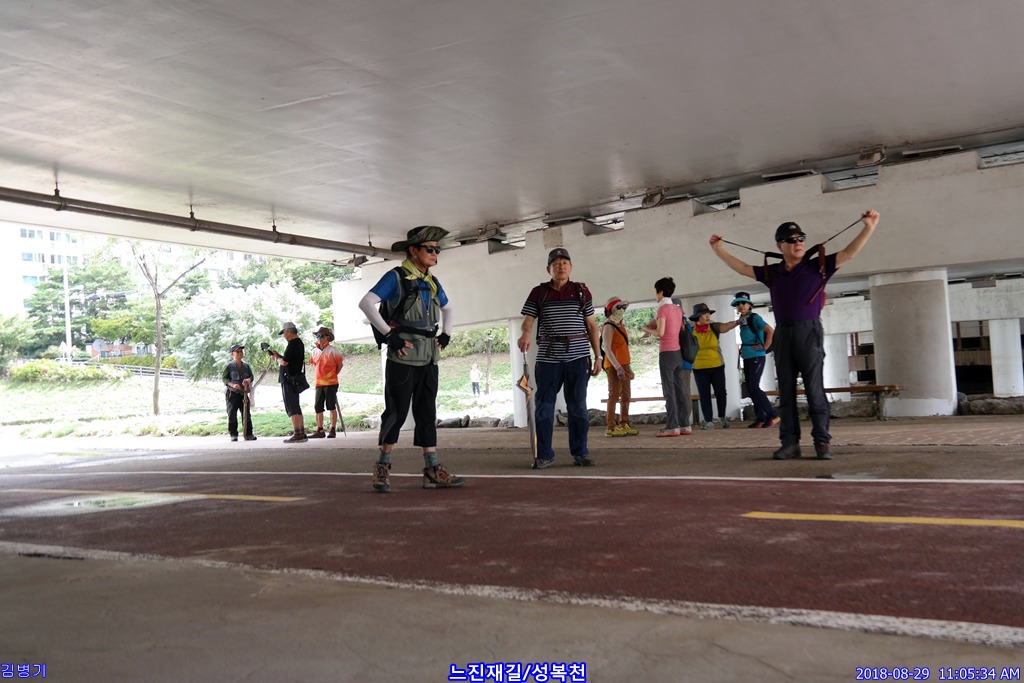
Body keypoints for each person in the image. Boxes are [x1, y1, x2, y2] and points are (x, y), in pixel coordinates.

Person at [710, 209, 880, 459]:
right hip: (783, 334)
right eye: (791, 240)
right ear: (780, 246)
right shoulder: (773, 272)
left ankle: (822, 441)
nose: (798, 243)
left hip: (809, 331)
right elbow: (743, 268)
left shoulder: (817, 266)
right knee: (786, 391)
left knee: (814, 390)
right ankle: (790, 443)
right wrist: (719, 250)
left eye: (801, 238)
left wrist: (868, 227)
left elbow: (849, 253)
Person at [358, 225, 464, 491]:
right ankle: (382, 466)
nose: (435, 253)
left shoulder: (431, 281)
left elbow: (449, 308)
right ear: (413, 250)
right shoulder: (395, 277)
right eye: (430, 249)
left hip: (429, 358)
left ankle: (432, 468)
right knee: (396, 412)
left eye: (437, 249)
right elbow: (366, 303)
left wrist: (446, 334)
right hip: (403, 357)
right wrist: (389, 335)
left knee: (427, 412)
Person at [517, 248, 602, 467]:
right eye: (556, 263)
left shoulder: (582, 291)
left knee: (578, 407)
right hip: (548, 359)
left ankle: (580, 452)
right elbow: (528, 320)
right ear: (549, 269)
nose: (561, 266)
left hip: (578, 358)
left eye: (564, 262)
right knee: (544, 407)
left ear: (571, 267)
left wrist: (598, 356)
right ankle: (544, 455)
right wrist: (525, 334)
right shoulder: (539, 292)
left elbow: (592, 326)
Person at [642, 279, 691, 437]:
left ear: (661, 292)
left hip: (666, 353)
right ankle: (685, 424)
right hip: (678, 353)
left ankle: (672, 426)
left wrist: (645, 329)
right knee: (680, 390)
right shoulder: (677, 309)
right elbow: (678, 328)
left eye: (656, 292)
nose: (656, 296)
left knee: (669, 391)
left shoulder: (662, 308)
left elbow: (661, 333)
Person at [732, 291, 780, 429]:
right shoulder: (742, 320)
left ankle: (773, 415)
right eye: (738, 304)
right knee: (750, 387)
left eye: (744, 303)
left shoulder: (755, 318)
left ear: (749, 305)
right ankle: (760, 418)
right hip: (747, 356)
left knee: (753, 386)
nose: (741, 306)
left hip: (756, 356)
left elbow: (770, 331)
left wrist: (764, 347)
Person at [689, 303, 740, 430]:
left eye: (708, 314)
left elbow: (724, 327)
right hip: (699, 368)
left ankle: (722, 417)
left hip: (717, 365)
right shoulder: (690, 330)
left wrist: (737, 322)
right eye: (704, 314)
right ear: (698, 317)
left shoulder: (713, 326)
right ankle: (708, 421)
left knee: (721, 393)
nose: (708, 316)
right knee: (704, 395)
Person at [267, 322, 308, 443]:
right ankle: (301, 432)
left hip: (289, 380)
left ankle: (297, 433)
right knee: (296, 406)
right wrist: (279, 356)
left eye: (284, 333)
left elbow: (285, 362)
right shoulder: (299, 343)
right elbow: (289, 359)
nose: (284, 336)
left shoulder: (293, 344)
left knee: (291, 407)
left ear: (289, 332)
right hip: (294, 378)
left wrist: (276, 358)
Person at [601, 297, 637, 437]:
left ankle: (624, 423)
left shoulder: (621, 325)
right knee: (614, 395)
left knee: (626, 396)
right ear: (612, 310)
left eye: (623, 307)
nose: (622, 310)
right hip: (613, 366)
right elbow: (607, 348)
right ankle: (611, 427)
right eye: (619, 307)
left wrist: (628, 368)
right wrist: (617, 367)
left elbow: (623, 348)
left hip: (624, 365)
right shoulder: (608, 326)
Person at [309, 326, 344, 438]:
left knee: (331, 406)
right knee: (318, 407)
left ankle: (332, 429)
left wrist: (333, 375)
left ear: (327, 337)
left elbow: (340, 365)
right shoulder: (314, 351)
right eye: (317, 336)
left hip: (331, 383)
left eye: (321, 336)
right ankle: (320, 430)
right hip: (319, 383)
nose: (319, 338)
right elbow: (315, 365)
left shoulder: (333, 350)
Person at [222, 343, 256, 442]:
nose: (240, 353)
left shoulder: (246, 366)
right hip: (232, 394)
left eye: (241, 351)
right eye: (237, 352)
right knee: (232, 414)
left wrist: (248, 380)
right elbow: (224, 379)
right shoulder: (229, 366)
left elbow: (251, 376)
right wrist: (233, 385)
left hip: (243, 393)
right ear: (232, 354)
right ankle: (233, 434)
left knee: (246, 414)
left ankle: (248, 434)